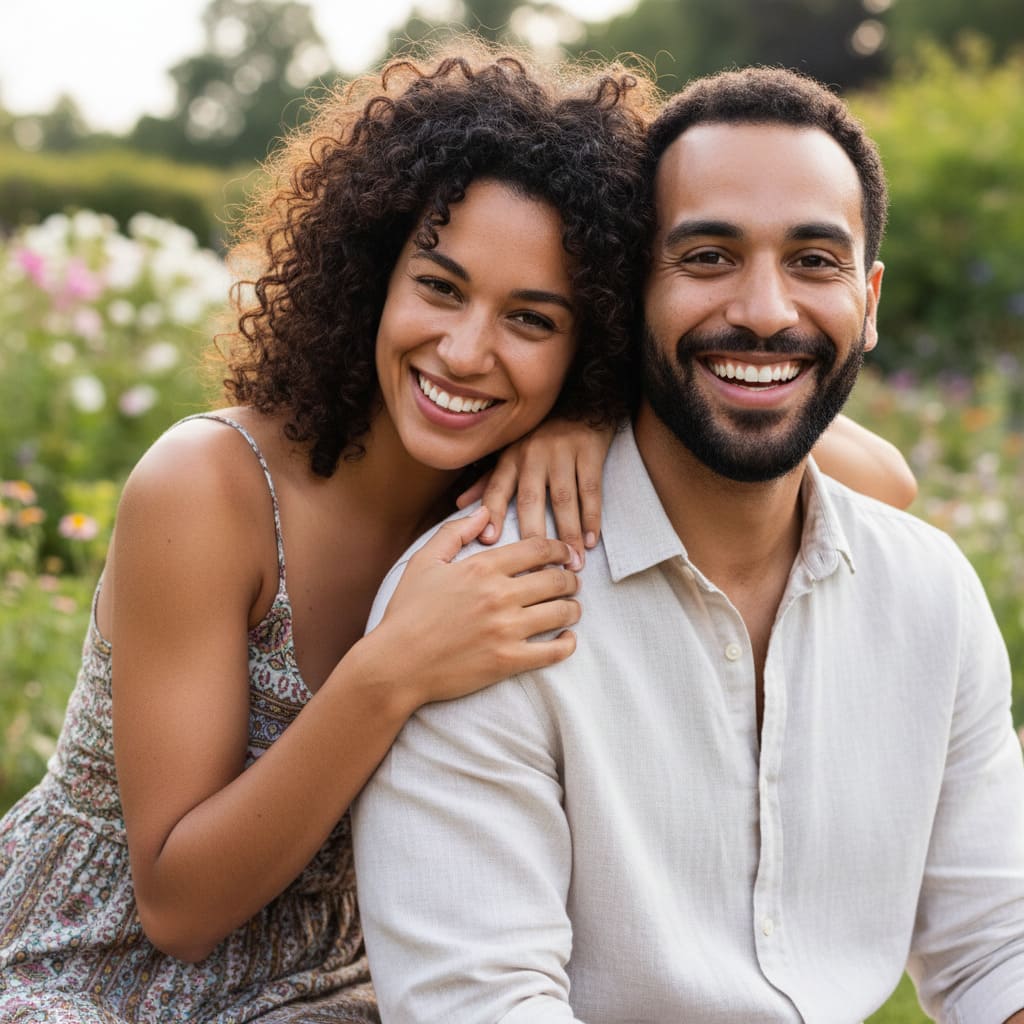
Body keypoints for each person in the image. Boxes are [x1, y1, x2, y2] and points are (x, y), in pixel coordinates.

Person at [0, 45, 913, 1023]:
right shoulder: (209, 489)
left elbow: (883, 488)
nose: (466, 351)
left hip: (347, 989)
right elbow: (179, 907)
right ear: (373, 272)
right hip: (88, 978)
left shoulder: (535, 472)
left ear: (595, 336)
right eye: (440, 286)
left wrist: (603, 411)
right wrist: (393, 669)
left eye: (532, 318)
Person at [353, 66, 1024, 1022]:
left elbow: (1000, 942)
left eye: (814, 261)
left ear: (868, 302)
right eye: (708, 256)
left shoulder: (928, 594)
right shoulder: (485, 601)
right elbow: (482, 1004)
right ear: (629, 298)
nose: (764, 310)